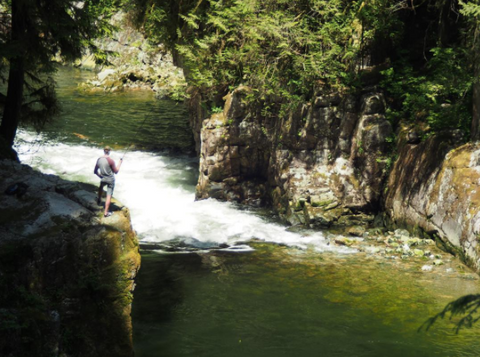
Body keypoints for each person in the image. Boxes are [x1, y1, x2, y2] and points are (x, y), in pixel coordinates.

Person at [94, 146, 123, 217]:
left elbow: (95, 171)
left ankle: (99, 199)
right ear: (109, 151)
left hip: (103, 178)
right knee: (109, 195)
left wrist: (100, 176)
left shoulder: (99, 159)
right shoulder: (110, 161)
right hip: (110, 180)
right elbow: (116, 171)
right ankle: (106, 213)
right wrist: (120, 162)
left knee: (101, 187)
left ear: (104, 151)